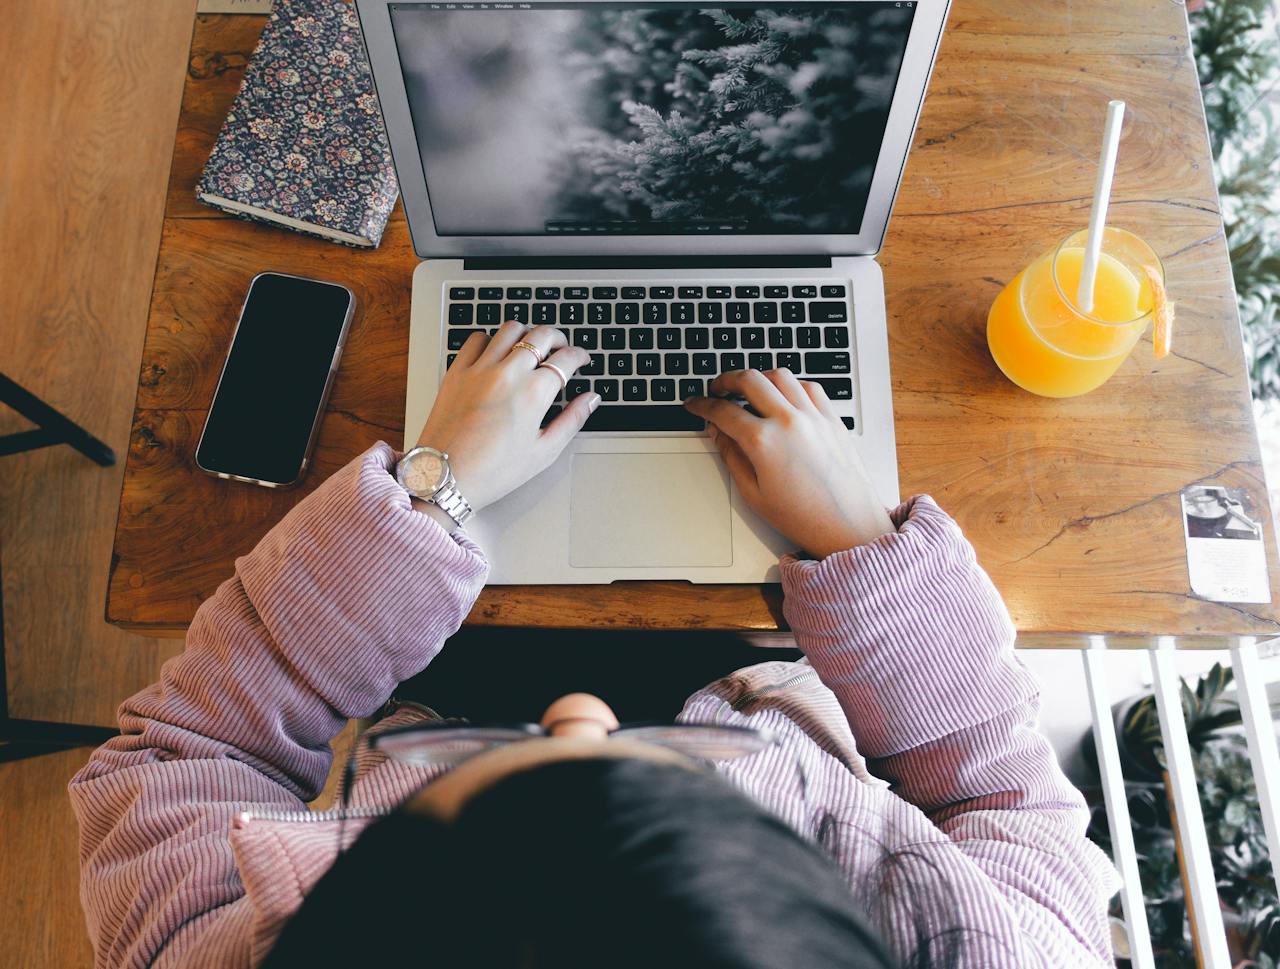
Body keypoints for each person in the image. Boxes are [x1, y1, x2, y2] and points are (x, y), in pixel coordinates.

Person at [70, 321, 1118, 968]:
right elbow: (995, 795)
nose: (580, 712)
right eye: (667, 784)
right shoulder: (1000, 948)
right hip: (797, 681)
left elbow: (189, 755)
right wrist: (860, 549)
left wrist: (434, 491)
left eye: (541, 757)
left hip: (426, 685)